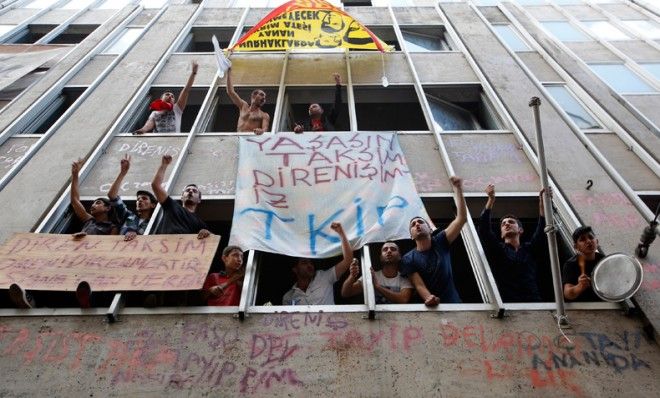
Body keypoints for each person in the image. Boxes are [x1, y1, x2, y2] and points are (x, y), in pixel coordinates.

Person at [9, 159, 119, 309]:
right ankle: (31, 301)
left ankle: (87, 301)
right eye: (92, 203)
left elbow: (111, 248)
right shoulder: (89, 221)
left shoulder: (112, 227)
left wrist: (89, 240)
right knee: (49, 275)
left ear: (107, 208)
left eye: (98, 202)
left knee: (83, 284)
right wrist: (75, 175)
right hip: (72, 259)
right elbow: (75, 201)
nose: (93, 205)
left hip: (92, 263)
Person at [400, 176, 467, 306]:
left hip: (455, 305)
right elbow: (418, 285)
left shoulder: (441, 241)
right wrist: (429, 298)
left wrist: (458, 189)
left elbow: (461, 219)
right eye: (413, 225)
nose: (417, 225)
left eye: (420, 222)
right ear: (411, 236)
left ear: (430, 230)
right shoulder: (408, 259)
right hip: (430, 308)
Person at [477, 184, 549, 302]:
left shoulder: (529, 250)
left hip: (534, 303)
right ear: (501, 234)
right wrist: (491, 200)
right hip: (508, 305)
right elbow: (484, 230)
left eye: (511, 222)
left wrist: (543, 203)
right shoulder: (499, 251)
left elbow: (542, 230)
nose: (506, 224)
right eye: (503, 223)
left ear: (520, 230)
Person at [282, 222, 352, 305]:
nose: (310, 265)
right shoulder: (288, 297)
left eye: (311, 262)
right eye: (304, 262)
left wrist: (341, 233)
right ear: (295, 269)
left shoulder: (324, 277)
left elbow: (348, 260)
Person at [151, 155, 210, 238]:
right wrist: (164, 165)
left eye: (194, 191)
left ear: (199, 200)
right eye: (187, 190)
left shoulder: (200, 223)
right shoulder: (171, 205)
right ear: (182, 197)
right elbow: (155, 185)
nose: (190, 191)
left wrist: (206, 233)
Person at [133, 60, 198, 134]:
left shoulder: (177, 109)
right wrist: (143, 130)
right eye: (167, 94)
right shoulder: (155, 113)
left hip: (174, 142)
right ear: (161, 98)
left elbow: (186, 90)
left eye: (172, 96)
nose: (170, 96)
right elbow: (149, 124)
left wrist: (193, 73)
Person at [341, 241, 413, 304]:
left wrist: (377, 287)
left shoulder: (405, 277)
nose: (389, 251)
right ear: (381, 257)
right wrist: (352, 276)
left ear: (400, 256)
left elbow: (403, 300)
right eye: (385, 249)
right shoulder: (372, 275)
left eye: (393, 249)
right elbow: (346, 293)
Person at [107, 154, 157, 241]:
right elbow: (112, 196)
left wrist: (136, 235)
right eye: (138, 199)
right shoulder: (128, 216)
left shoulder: (155, 222)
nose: (140, 200)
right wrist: (122, 173)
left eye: (144, 198)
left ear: (153, 205)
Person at [562, 226, 604, 302]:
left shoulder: (604, 261)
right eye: (582, 239)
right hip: (582, 308)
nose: (588, 241)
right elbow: (567, 293)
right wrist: (579, 287)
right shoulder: (571, 264)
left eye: (591, 237)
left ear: (597, 242)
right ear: (576, 247)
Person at [226, 67, 270, 134]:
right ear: (254, 95)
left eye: (264, 97)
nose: (264, 98)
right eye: (261, 95)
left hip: (250, 141)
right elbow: (230, 92)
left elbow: (265, 128)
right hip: (238, 138)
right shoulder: (243, 106)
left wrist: (262, 131)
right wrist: (228, 72)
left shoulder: (264, 115)